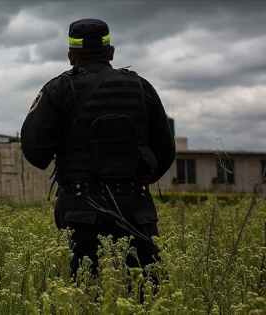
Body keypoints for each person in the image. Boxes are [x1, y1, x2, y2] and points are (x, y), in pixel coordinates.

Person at [20, 18, 176, 281]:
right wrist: (134, 182)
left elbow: (35, 152)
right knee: (142, 291)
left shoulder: (58, 89)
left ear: (71, 56)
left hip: (81, 209)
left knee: (84, 291)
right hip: (136, 209)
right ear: (111, 52)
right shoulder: (141, 87)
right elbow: (165, 151)